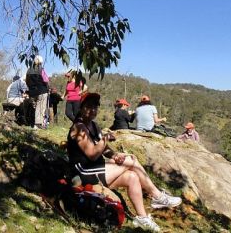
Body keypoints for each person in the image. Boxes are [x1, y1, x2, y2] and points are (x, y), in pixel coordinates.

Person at [67, 92, 182, 232]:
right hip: (83, 172)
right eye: (89, 107)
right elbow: (92, 154)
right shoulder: (79, 127)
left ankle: (142, 218)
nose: (92, 110)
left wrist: (115, 155)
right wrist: (106, 139)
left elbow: (103, 149)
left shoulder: (94, 125)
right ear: (81, 107)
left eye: (95, 107)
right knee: (131, 161)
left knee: (132, 177)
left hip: (96, 169)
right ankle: (157, 196)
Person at [26, 55, 49, 129]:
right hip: (42, 91)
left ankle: (33, 123)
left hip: (32, 92)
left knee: (34, 107)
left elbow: (27, 81)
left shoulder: (29, 70)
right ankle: (38, 124)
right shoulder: (41, 70)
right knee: (41, 108)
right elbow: (46, 80)